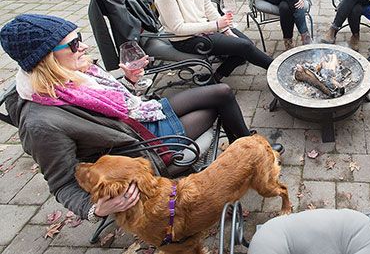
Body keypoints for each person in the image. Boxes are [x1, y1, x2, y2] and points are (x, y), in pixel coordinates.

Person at [0, 13, 282, 223]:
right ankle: (250, 152)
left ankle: (248, 148)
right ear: (46, 59)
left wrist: (129, 79)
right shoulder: (41, 123)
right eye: (73, 45)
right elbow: (61, 183)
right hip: (147, 147)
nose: (82, 47)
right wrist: (95, 209)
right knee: (214, 108)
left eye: (80, 40)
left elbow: (114, 104)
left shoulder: (69, 78)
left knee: (221, 92)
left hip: (141, 116)